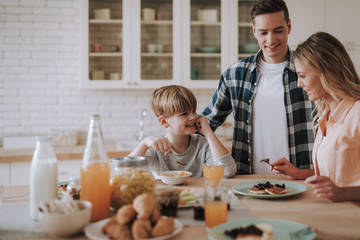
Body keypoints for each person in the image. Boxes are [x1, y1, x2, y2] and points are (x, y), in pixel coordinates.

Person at [200, 0, 314, 174]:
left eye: (278, 30)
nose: (271, 40)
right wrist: (163, 140)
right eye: (263, 32)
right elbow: (207, 121)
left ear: (289, 26)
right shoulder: (235, 74)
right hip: (248, 182)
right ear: (254, 31)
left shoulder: (310, 71)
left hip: (301, 180)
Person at [272, 32, 360, 202]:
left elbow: (342, 186)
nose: (299, 84)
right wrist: (299, 173)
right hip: (331, 214)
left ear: (327, 71)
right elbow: (339, 174)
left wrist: (343, 193)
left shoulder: (357, 114)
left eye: (303, 75)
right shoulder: (325, 116)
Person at [128, 85, 237, 178]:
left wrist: (209, 133)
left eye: (193, 111)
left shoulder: (202, 144)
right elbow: (125, 172)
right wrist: (144, 143)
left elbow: (228, 171)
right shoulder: (156, 148)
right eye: (184, 114)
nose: (193, 117)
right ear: (164, 122)